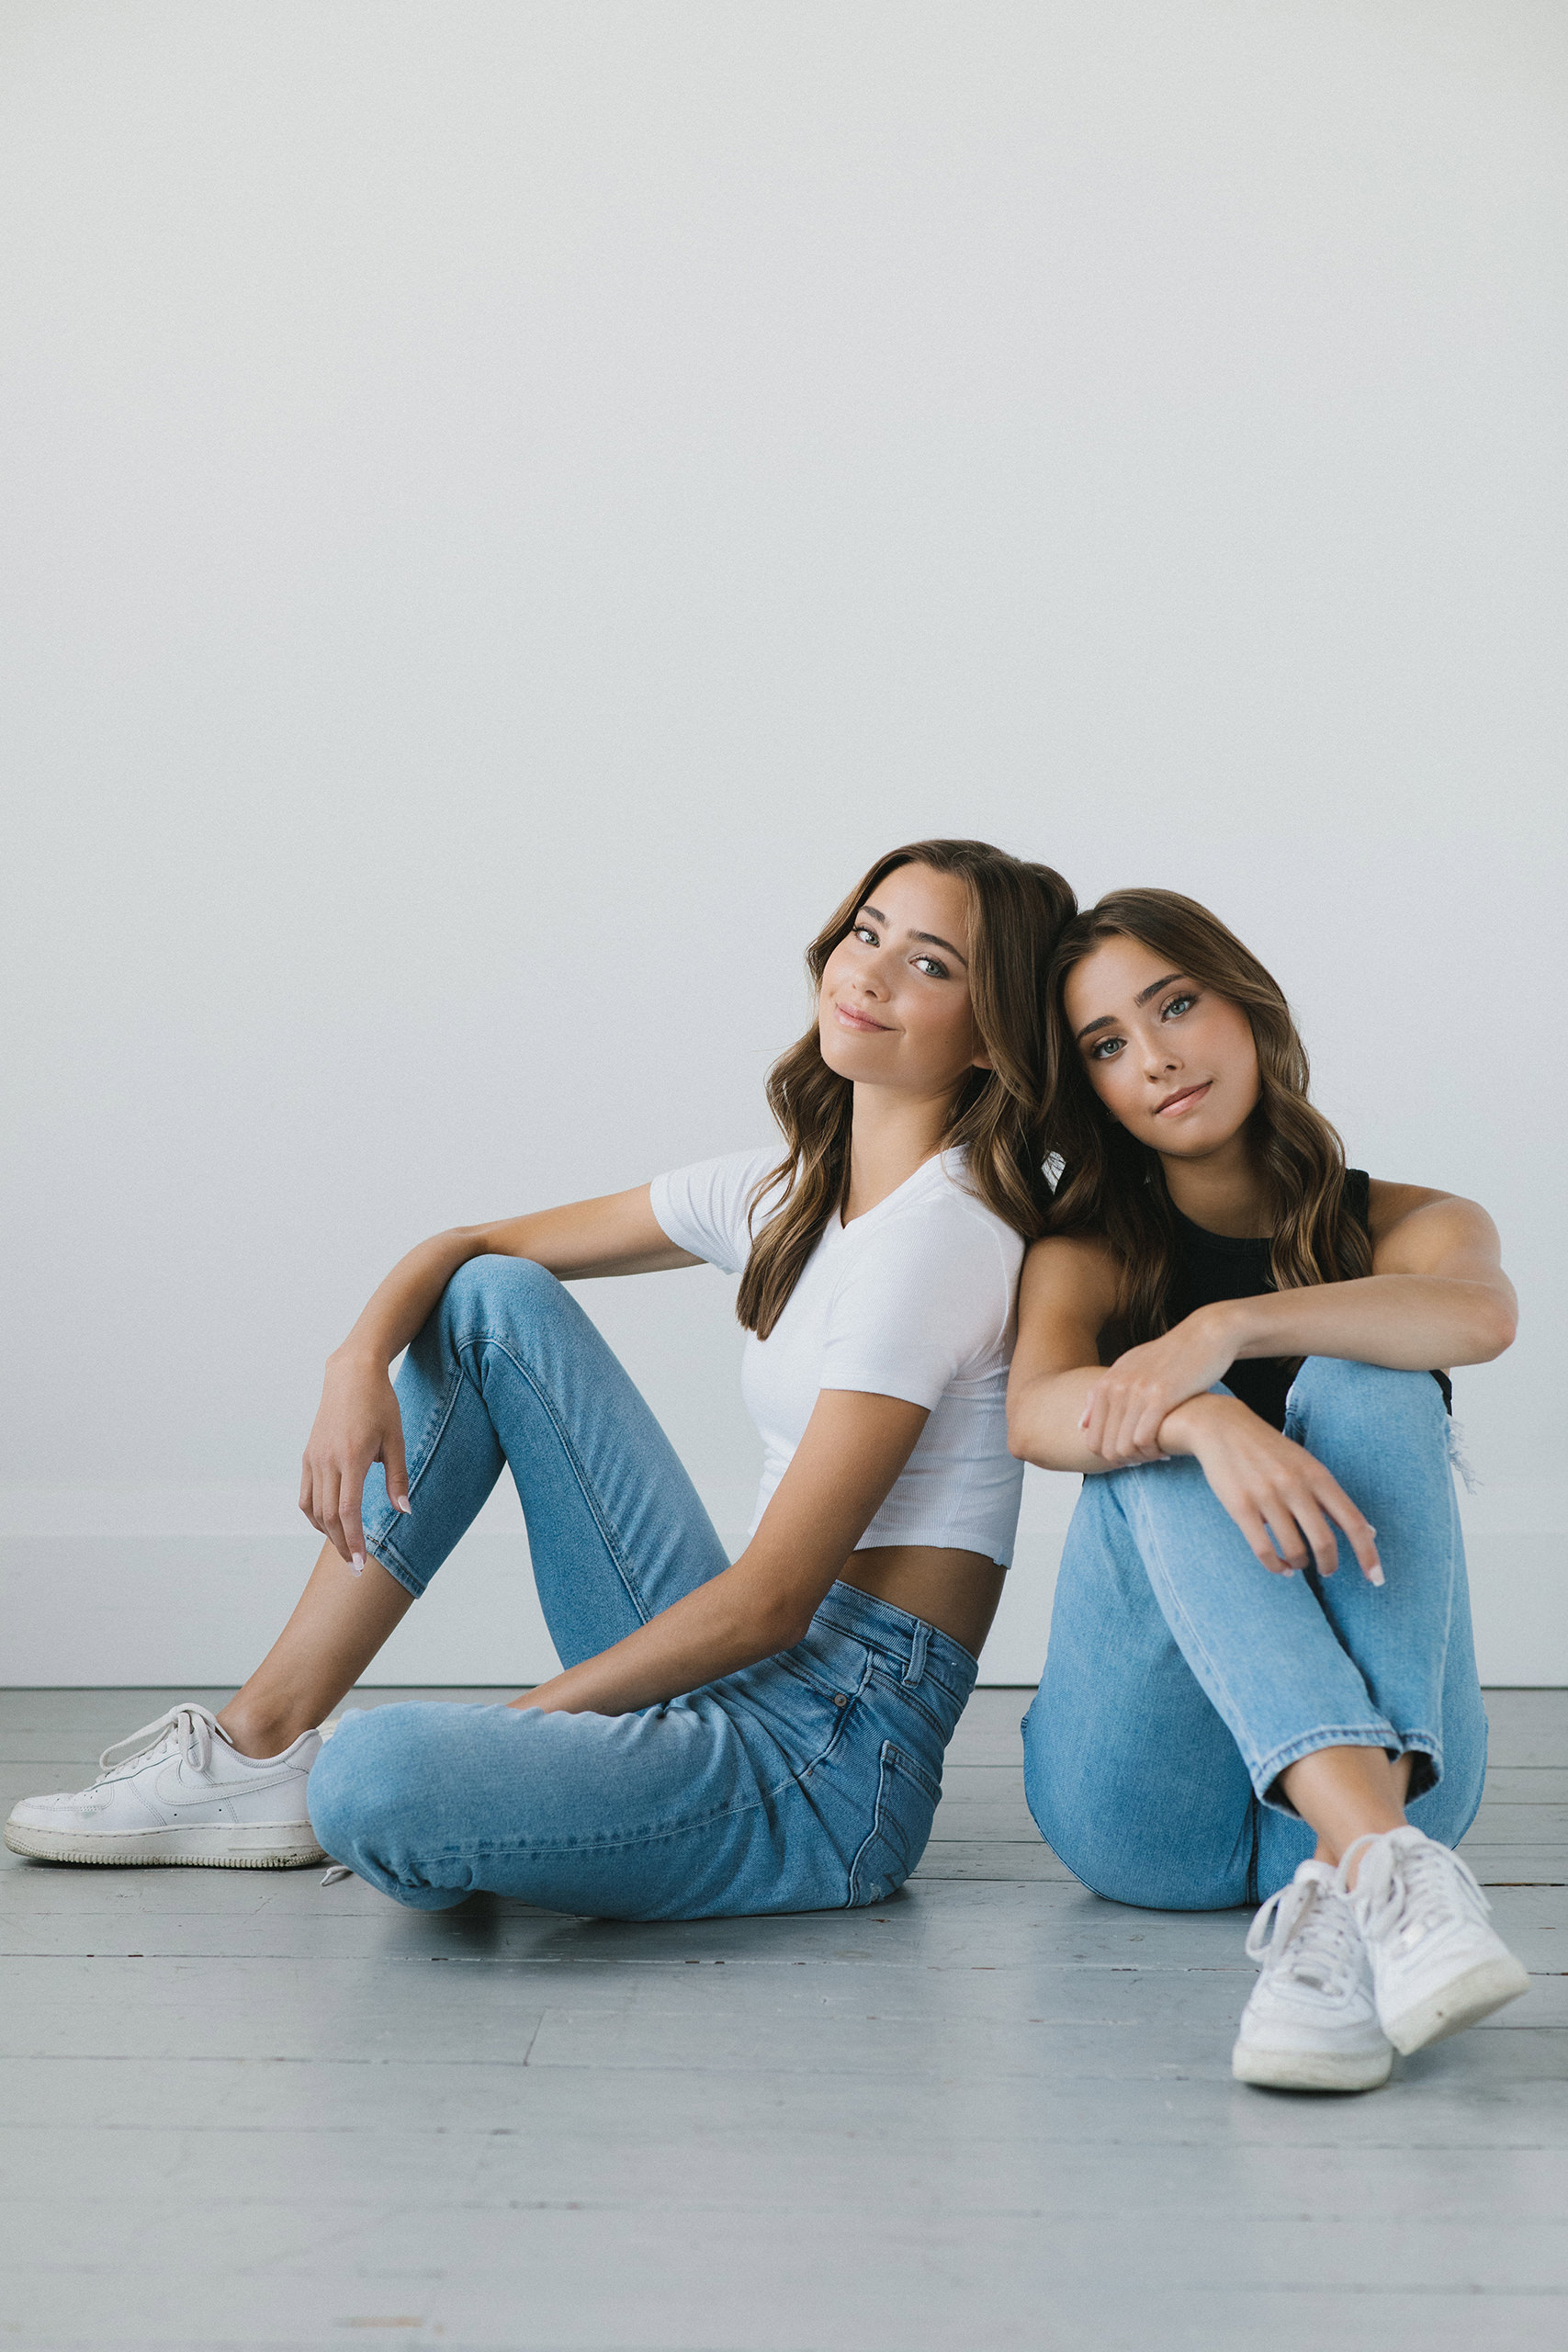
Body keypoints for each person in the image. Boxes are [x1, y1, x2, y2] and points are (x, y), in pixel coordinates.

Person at [8, 840, 1076, 1923]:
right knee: (492, 1302)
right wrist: (355, 1362)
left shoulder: (940, 1240)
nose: (873, 972)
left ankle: (414, 1785)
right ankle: (261, 1742)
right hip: (742, 1675)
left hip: (827, 1762)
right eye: (868, 931)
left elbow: (769, 1603)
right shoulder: (791, 1193)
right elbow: (472, 1247)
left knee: (375, 1775)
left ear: (994, 1037)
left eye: (932, 965)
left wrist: (519, 1734)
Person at [1007, 888, 1529, 2093]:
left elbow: (1479, 1317)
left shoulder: (1413, 1221)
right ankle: (1388, 1873)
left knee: (1377, 1381)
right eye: (1105, 1046)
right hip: (1136, 1804)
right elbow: (1033, 1413)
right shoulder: (1082, 1250)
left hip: (1405, 1779)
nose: (1154, 1058)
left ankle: (1355, 1894)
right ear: (1085, 1085)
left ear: (1243, 1004)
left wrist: (1224, 1328)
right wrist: (1191, 1406)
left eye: (1173, 1005)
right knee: (1139, 1425)